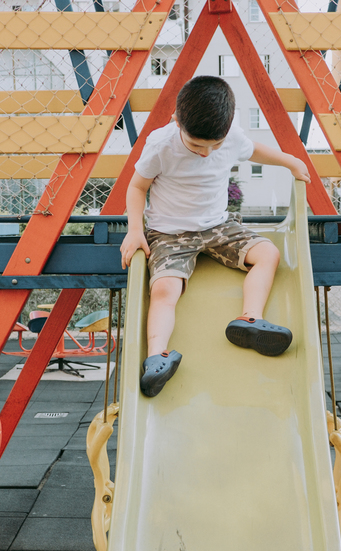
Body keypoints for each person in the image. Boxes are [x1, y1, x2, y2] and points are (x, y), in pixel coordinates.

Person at [119, 75, 311, 397]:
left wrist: (289, 161)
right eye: (196, 146)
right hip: (170, 233)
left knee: (268, 254)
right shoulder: (161, 145)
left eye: (215, 146)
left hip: (218, 226)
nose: (206, 153)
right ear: (176, 120)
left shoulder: (231, 136)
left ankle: (250, 319)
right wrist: (135, 230)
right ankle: (157, 357)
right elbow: (137, 187)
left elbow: (254, 150)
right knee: (164, 289)